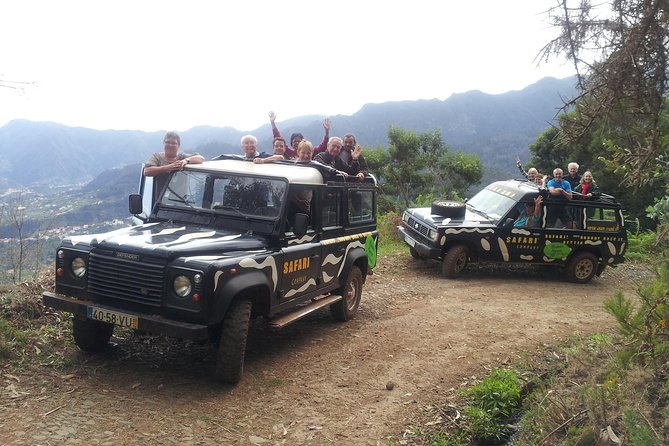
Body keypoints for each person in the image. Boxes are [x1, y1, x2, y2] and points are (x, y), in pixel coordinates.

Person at [143, 131, 204, 201]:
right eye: (167, 142)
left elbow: (201, 158)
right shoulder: (156, 157)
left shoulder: (181, 157)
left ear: (178, 145)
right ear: (163, 143)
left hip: (180, 202)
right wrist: (169, 167)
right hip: (160, 203)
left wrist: (186, 160)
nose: (170, 145)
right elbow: (146, 171)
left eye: (173, 143)